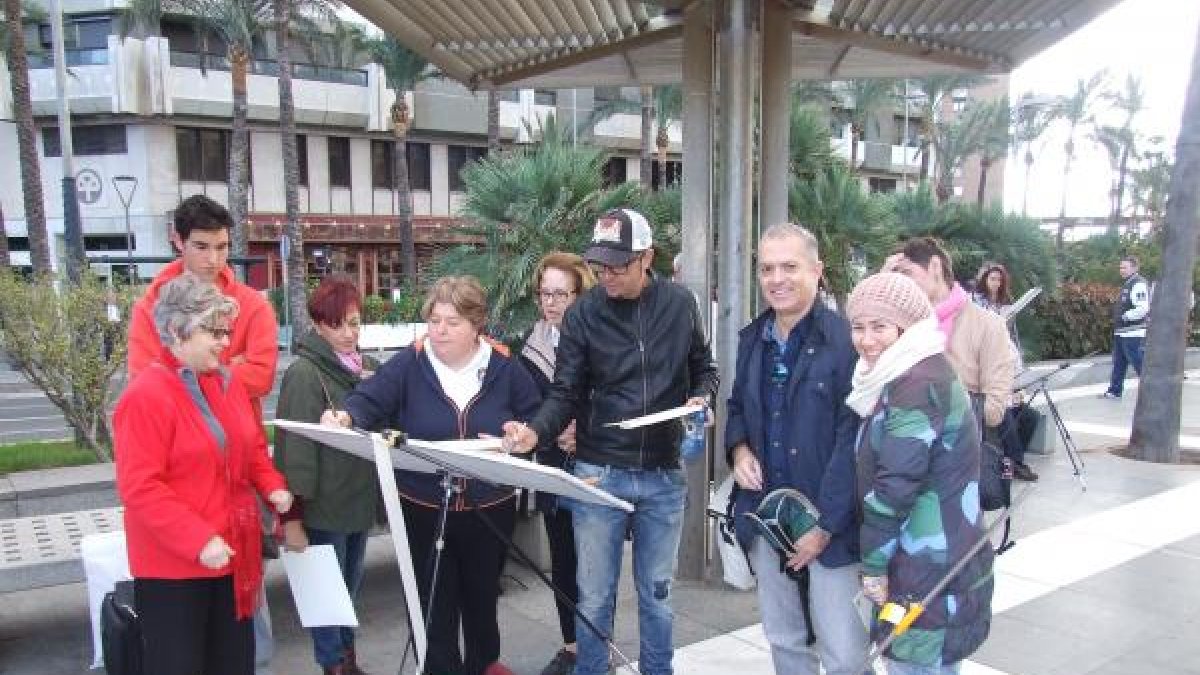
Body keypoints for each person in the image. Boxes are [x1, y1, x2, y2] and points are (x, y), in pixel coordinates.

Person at [502, 208, 719, 675]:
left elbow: (704, 367)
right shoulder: (584, 314)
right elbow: (566, 391)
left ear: (648, 259)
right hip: (599, 472)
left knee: (658, 595)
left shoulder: (681, 304)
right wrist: (534, 432)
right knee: (595, 598)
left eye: (619, 265)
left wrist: (702, 396)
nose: (607, 275)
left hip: (663, 471)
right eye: (600, 266)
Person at [323, 276, 542, 675]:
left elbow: (534, 415)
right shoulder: (411, 362)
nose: (439, 330)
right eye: (435, 320)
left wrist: (523, 433)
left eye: (453, 322)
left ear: (477, 325)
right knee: (430, 605)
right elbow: (368, 400)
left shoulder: (505, 367)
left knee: (481, 601)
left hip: (488, 508)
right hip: (422, 507)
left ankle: (483, 666)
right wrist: (345, 415)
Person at [125, 194, 280, 672]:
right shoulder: (151, 387)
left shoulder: (226, 371)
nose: (214, 260)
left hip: (229, 540)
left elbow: (258, 400)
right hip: (181, 556)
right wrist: (196, 538)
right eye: (202, 247)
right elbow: (141, 485)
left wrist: (272, 486)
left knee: (236, 655)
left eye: (222, 247)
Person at [725, 223, 867, 674]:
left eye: (789, 266)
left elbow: (855, 441)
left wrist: (824, 525)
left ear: (817, 271)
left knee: (844, 651)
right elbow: (737, 406)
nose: (777, 278)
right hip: (768, 517)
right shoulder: (753, 338)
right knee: (784, 640)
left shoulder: (845, 343)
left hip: (831, 526)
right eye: (767, 268)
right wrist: (740, 449)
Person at [845, 272, 994, 675]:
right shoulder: (915, 371)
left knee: (915, 667)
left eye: (880, 326)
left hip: (924, 566)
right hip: (940, 558)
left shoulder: (915, 383)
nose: (866, 339)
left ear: (907, 327)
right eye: (858, 326)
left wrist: (874, 565)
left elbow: (895, 486)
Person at [274, 277, 379, 675]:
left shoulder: (364, 367)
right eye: (339, 324)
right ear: (319, 325)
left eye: (355, 322)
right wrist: (292, 517)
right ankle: (334, 665)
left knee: (348, 593)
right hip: (323, 507)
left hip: (357, 500)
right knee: (326, 594)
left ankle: (347, 660)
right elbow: (293, 449)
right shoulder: (305, 373)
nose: (349, 333)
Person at [517, 253, 596, 675]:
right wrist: (543, 431)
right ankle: (572, 647)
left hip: (596, 467)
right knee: (564, 559)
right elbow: (527, 405)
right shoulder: (529, 347)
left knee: (595, 565)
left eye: (560, 293)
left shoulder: (599, 338)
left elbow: (614, 396)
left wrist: (586, 429)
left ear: (579, 295)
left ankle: (595, 648)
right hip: (551, 465)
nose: (550, 302)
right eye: (544, 293)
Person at [883, 238, 1015, 434]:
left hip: (956, 450)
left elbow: (994, 411)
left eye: (906, 273)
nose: (900, 283)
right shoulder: (895, 325)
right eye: (894, 277)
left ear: (935, 266)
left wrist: (930, 397)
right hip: (899, 450)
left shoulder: (988, 326)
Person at [971, 263, 1038, 481]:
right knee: (1005, 415)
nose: (996, 284)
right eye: (992, 279)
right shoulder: (976, 306)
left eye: (999, 280)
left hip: (1006, 376)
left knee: (1030, 417)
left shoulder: (1003, 306)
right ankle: (1015, 463)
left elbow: (1010, 347)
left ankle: (1010, 461)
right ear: (984, 280)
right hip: (985, 384)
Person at [1101, 256, 1150, 399]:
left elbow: (1143, 308)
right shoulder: (1128, 283)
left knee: (1138, 362)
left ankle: (1151, 389)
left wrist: (1125, 317)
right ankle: (1115, 391)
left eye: (1125, 267)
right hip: (1122, 332)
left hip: (1133, 332)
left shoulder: (1138, 284)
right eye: (1120, 267)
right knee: (1119, 363)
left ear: (1135, 268)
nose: (1121, 270)